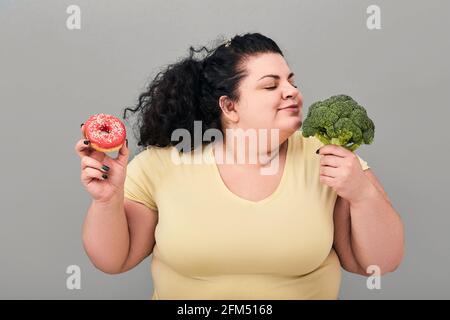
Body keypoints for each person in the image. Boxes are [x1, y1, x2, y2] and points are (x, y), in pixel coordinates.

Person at [75, 33, 404, 300]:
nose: (292, 92)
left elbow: (378, 264)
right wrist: (107, 201)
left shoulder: (332, 159)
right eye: (271, 85)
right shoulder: (161, 165)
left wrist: (362, 194)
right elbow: (114, 260)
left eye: (292, 81)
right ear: (230, 106)